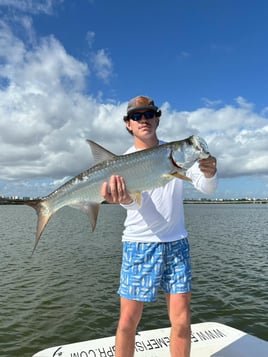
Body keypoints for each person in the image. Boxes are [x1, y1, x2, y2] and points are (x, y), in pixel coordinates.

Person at [101, 95, 217, 357]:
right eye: (136, 116)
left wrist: (211, 172)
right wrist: (127, 200)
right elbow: (134, 206)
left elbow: (207, 187)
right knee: (128, 322)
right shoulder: (121, 163)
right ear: (128, 124)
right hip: (139, 243)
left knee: (182, 321)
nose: (144, 119)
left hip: (177, 243)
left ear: (157, 118)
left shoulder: (177, 153)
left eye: (149, 114)